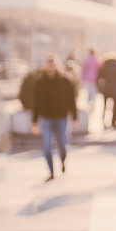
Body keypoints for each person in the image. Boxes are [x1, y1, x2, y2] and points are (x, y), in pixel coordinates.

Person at [31, 54, 77, 182]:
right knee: (46, 146)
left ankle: (63, 161)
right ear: (45, 65)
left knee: (63, 144)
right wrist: (34, 122)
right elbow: (36, 103)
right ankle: (51, 172)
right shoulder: (39, 82)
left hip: (61, 117)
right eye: (48, 62)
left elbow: (72, 100)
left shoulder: (65, 81)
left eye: (53, 62)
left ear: (57, 64)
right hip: (46, 118)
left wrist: (74, 117)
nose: (50, 65)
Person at [97, 53, 116, 129]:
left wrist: (100, 88)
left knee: (104, 106)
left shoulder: (104, 65)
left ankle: (103, 121)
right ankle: (114, 122)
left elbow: (99, 77)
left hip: (107, 88)